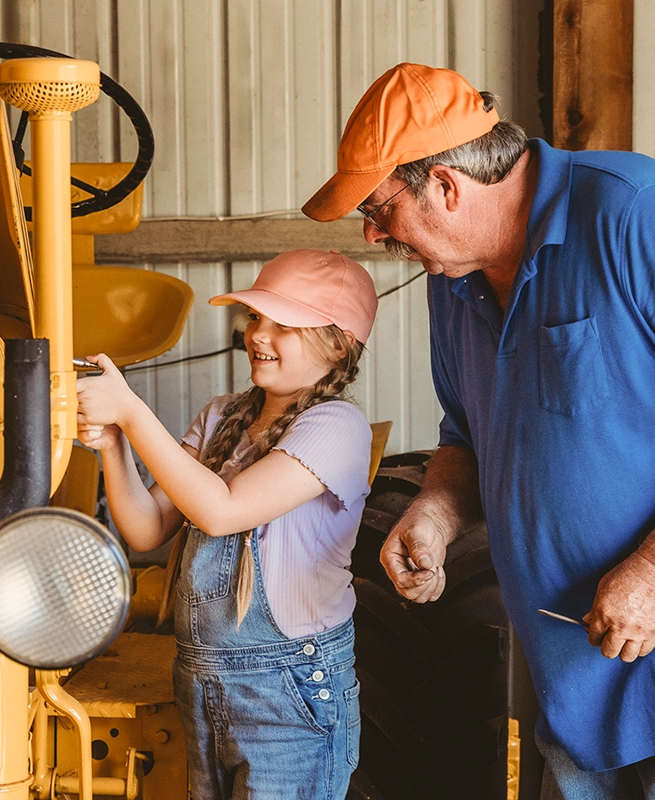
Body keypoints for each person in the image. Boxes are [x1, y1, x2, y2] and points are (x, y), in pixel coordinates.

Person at [302, 61, 655, 798]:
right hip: (566, 666)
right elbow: (466, 434)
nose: (372, 234)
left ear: (446, 186)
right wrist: (434, 514)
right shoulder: (452, 282)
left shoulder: (631, 213)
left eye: (378, 208)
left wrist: (652, 572)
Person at [76, 248, 378, 800]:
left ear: (336, 345)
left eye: (283, 324)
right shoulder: (221, 417)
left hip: (289, 693)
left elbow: (220, 511)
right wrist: (114, 445)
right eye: (256, 317)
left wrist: (132, 412)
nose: (258, 335)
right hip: (201, 682)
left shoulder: (337, 427)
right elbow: (145, 530)